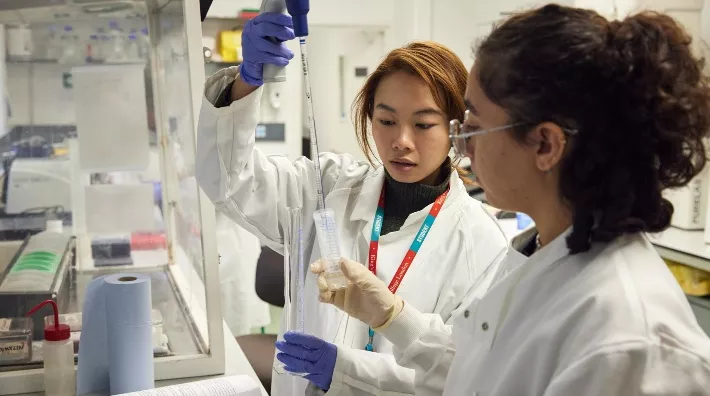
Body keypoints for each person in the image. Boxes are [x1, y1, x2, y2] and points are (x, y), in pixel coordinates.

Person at [305, 4, 710, 395]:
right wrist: (392, 316)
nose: (461, 142)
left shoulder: (631, 338)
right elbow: (473, 369)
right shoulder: (539, 256)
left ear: (545, 144)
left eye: (474, 124)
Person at [195, 12, 508, 396]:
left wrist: (346, 371)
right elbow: (229, 182)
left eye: (424, 124)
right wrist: (246, 81)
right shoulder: (328, 188)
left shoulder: (481, 243)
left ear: (456, 129)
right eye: (386, 120)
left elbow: (464, 376)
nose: (402, 141)